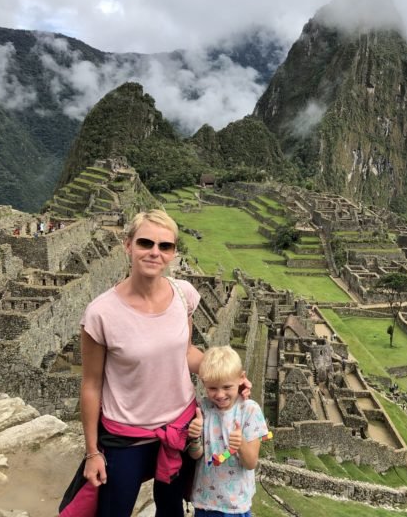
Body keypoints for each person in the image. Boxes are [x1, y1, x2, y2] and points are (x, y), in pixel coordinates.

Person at [59, 209, 207, 516]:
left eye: (164, 246)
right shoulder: (101, 314)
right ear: (128, 245)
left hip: (179, 426)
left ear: (173, 253)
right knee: (114, 510)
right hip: (126, 435)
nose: (155, 252)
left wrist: (229, 376)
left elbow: (186, 353)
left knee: (172, 510)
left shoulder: (184, 295)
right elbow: (91, 384)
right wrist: (92, 452)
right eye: (145, 243)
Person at [187, 346, 269, 517]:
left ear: (241, 379)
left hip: (234, 504)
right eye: (212, 388)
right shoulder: (203, 408)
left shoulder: (249, 411)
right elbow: (196, 455)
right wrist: (194, 438)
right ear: (204, 384)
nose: (220, 394)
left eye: (226, 387)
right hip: (204, 501)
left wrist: (240, 444)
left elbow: (251, 463)